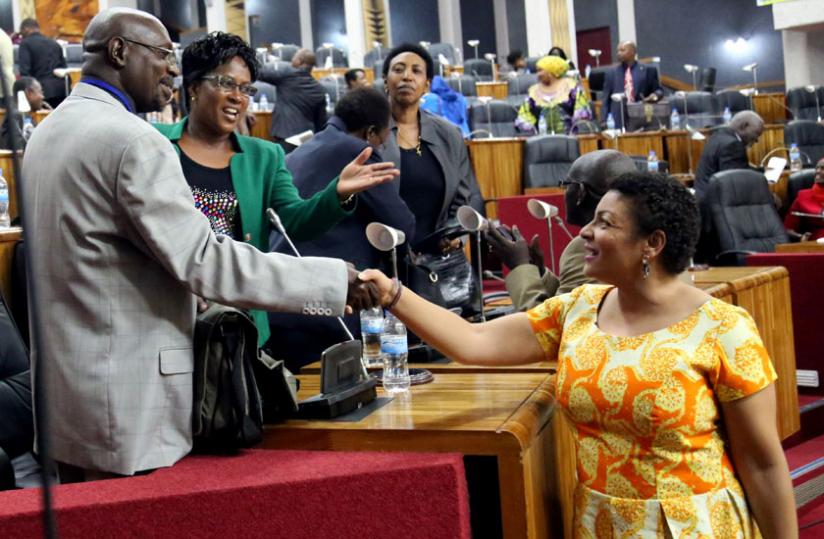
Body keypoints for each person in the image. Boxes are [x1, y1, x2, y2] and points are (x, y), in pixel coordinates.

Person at [21, 8, 385, 479]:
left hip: (67, 400)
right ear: (118, 51)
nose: (172, 69)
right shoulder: (135, 141)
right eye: (162, 56)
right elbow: (204, 259)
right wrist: (336, 280)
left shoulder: (48, 131)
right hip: (128, 405)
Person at [360, 172, 797, 538]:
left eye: (605, 223)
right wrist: (393, 293)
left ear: (653, 243)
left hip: (693, 526)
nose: (585, 231)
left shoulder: (724, 327)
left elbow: (762, 463)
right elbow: (474, 342)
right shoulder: (579, 308)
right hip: (599, 522)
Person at [153, 31, 398, 348]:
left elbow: (296, 221)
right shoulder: (155, 144)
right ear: (194, 87)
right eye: (226, 84)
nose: (238, 97)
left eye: (246, 89)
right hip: (173, 323)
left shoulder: (264, 156)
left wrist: (337, 193)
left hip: (242, 328)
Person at [268, 87, 413, 370]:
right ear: (371, 133)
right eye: (383, 141)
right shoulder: (357, 152)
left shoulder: (302, 149)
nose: (381, 149)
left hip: (283, 304)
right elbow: (403, 226)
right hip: (331, 312)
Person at [486, 150, 636, 310]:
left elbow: (549, 328)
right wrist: (539, 271)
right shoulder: (634, 234)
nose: (564, 193)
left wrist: (519, 266)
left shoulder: (586, 246)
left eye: (566, 185)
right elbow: (573, 301)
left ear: (581, 192)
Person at [380, 43, 484, 249]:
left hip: (438, 256)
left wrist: (456, 234)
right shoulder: (368, 132)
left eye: (416, 71)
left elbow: (465, 196)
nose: (407, 76)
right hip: (382, 254)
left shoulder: (449, 134)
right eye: (399, 69)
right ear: (385, 81)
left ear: (426, 85)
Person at [257, 48, 326, 153]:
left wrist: (257, 56)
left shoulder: (286, 75)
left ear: (299, 61)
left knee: (283, 167)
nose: (291, 60)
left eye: (294, 57)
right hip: (307, 138)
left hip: (285, 135)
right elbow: (321, 122)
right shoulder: (319, 89)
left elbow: (260, 73)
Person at [694, 110, 764, 201]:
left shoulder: (717, 136)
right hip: (716, 205)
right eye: (757, 134)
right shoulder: (733, 145)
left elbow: (734, 168)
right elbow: (737, 183)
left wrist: (761, 171)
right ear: (744, 126)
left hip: (705, 200)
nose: (756, 140)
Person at [515, 54, 592, 135]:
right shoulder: (533, 91)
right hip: (540, 141)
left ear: (551, 71)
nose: (537, 74)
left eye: (540, 70)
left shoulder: (572, 87)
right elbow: (523, 116)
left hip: (570, 139)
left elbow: (582, 115)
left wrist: (574, 133)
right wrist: (532, 131)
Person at [600, 41, 663, 129]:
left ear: (633, 52)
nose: (619, 53)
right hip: (618, 119)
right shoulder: (611, 73)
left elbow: (659, 91)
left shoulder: (648, 70)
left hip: (642, 117)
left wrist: (655, 96)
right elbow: (605, 99)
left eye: (622, 50)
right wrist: (603, 120)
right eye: (618, 51)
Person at [18, 18, 67, 109]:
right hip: (62, 91)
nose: (21, 36)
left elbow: (25, 73)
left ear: (26, 29)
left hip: (41, 93)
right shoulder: (55, 44)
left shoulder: (26, 44)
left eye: (21, 33)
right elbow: (64, 69)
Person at [0, 77, 52, 149]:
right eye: (40, 92)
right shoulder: (15, 116)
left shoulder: (25, 116)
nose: (42, 97)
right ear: (29, 92)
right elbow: (19, 150)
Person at [784, 157, 824, 241]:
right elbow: (787, 229)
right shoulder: (803, 197)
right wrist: (800, 237)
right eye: (817, 168)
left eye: (823, 168)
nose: (817, 171)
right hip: (816, 244)